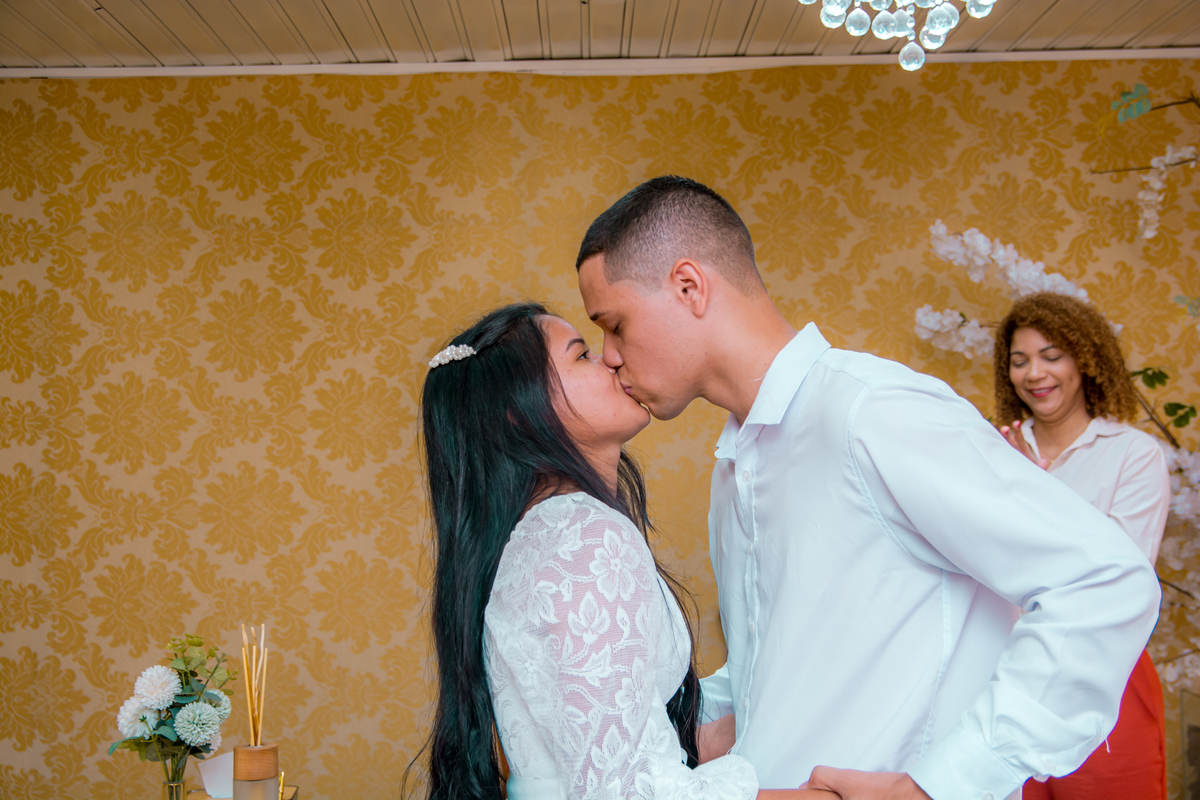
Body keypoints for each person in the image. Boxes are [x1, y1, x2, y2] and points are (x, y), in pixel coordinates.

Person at [573, 175, 1162, 800]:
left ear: (689, 287)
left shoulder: (872, 413)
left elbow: (1105, 578)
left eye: (615, 324)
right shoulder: (734, 465)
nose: (609, 356)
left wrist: (942, 785)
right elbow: (773, 671)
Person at [417, 302, 832, 800]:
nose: (612, 359)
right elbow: (625, 791)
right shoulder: (584, 537)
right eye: (582, 355)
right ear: (519, 412)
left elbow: (611, 751)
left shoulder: (544, 532)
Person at [994, 292, 1169, 800]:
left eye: (1052, 356)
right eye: (1019, 360)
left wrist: (1033, 490)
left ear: (1085, 361)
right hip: (1005, 674)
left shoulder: (1133, 454)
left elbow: (1115, 581)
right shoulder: (992, 450)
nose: (1034, 374)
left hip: (1103, 673)